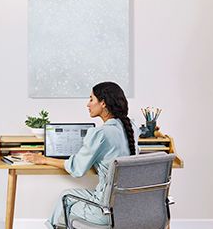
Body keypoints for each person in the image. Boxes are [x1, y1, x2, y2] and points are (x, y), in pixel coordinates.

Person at [23, 81, 138, 228]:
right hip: (129, 207)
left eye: (91, 99)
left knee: (65, 198)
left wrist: (43, 159)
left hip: (105, 210)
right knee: (68, 195)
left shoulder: (100, 133)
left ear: (103, 103)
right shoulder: (132, 128)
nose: (87, 104)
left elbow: (77, 168)